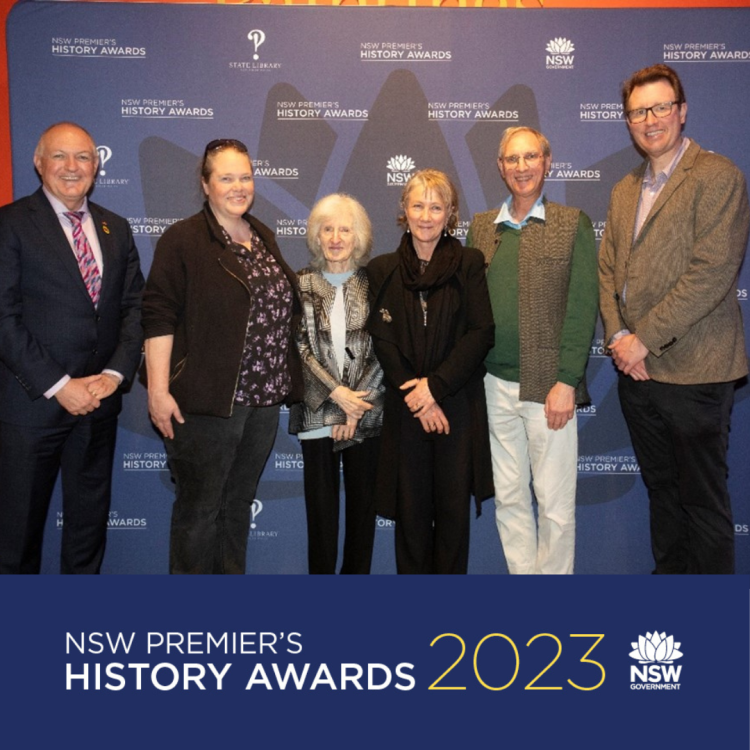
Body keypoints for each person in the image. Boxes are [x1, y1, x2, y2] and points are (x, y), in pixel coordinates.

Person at [599, 64, 750, 574]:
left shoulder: (718, 176)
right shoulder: (624, 190)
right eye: (639, 111)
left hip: (697, 374)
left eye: (661, 107)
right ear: (628, 121)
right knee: (662, 496)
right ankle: (671, 610)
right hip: (638, 377)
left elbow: (711, 273)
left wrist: (644, 339)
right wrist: (620, 337)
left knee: (702, 504)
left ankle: (710, 625)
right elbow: (607, 272)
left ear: (681, 112)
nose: (650, 119)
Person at [142, 138, 302, 575]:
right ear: (205, 184)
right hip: (207, 403)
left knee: (235, 508)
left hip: (263, 404)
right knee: (199, 513)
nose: (238, 186)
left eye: (245, 177)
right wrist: (158, 391)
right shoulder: (184, 239)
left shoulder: (261, 235)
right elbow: (158, 316)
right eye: (226, 177)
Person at [0, 122, 144, 574]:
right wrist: (59, 385)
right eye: (59, 156)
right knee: (17, 537)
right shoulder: (9, 224)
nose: (71, 167)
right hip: (32, 408)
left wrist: (115, 375)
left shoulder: (115, 228)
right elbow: (3, 318)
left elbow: (135, 308)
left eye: (82, 157)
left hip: (98, 407)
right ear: (38, 163)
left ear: (96, 165)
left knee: (87, 534)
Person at [467, 126, 598, 575]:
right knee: (508, 497)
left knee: (555, 504)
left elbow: (583, 308)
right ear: (500, 168)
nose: (521, 167)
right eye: (512, 159)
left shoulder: (571, 222)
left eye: (530, 157)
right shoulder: (482, 228)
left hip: (549, 388)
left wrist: (567, 381)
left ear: (547, 162)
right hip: (490, 385)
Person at [367, 169, 494, 574]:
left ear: (450, 213)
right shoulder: (382, 269)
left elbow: (481, 332)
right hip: (408, 412)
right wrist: (420, 400)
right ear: (404, 210)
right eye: (418, 205)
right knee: (411, 517)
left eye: (436, 207)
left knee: (454, 518)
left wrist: (435, 388)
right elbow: (383, 343)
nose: (426, 215)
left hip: (456, 407)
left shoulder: (469, 264)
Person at [289, 194, 384, 574]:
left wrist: (356, 405)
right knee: (322, 520)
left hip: (365, 415)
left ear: (358, 236)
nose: (335, 237)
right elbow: (299, 348)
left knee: (363, 518)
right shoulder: (300, 283)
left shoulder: (376, 283)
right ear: (316, 235)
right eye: (327, 229)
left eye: (345, 229)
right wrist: (337, 397)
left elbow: (384, 350)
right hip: (317, 418)